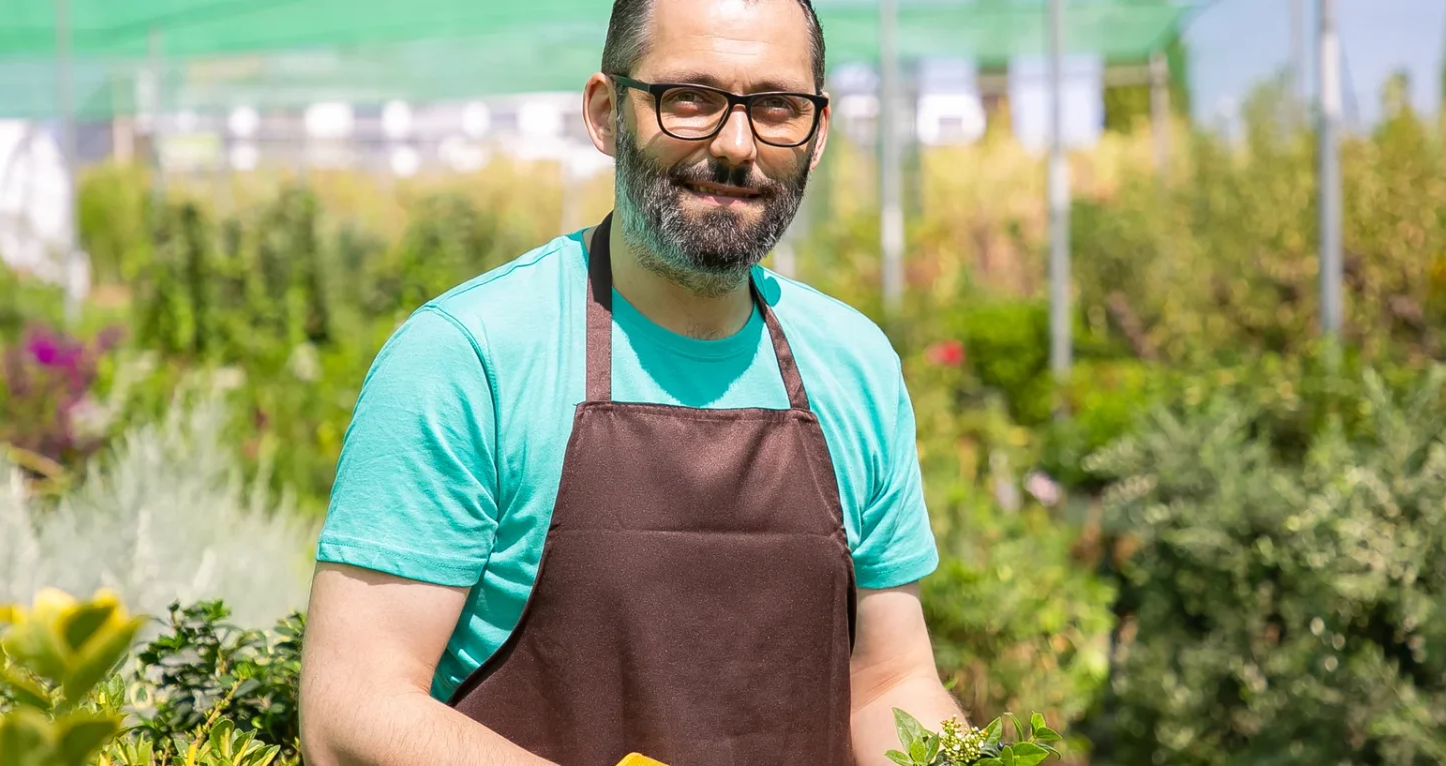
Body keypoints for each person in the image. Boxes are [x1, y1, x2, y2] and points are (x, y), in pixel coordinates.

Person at [298, 0, 963, 763]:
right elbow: (353, 706)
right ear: (607, 113)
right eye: (691, 99)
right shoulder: (470, 359)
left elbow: (889, 683)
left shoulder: (854, 363)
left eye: (777, 107)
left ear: (816, 135)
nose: (737, 145)